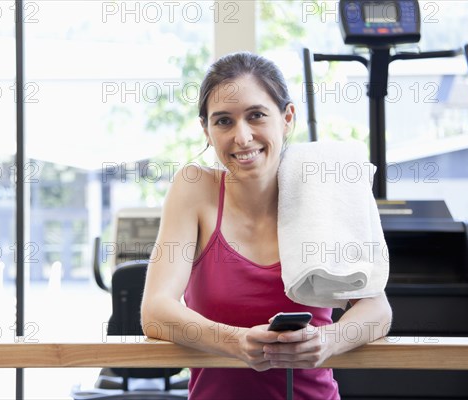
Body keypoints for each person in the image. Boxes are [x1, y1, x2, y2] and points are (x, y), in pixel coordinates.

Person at [141, 51, 393, 400]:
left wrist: (327, 341)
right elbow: (156, 311)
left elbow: (377, 311)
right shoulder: (195, 188)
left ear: (287, 117)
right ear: (206, 129)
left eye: (256, 115)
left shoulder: (319, 188)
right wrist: (236, 341)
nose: (242, 137)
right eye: (224, 121)